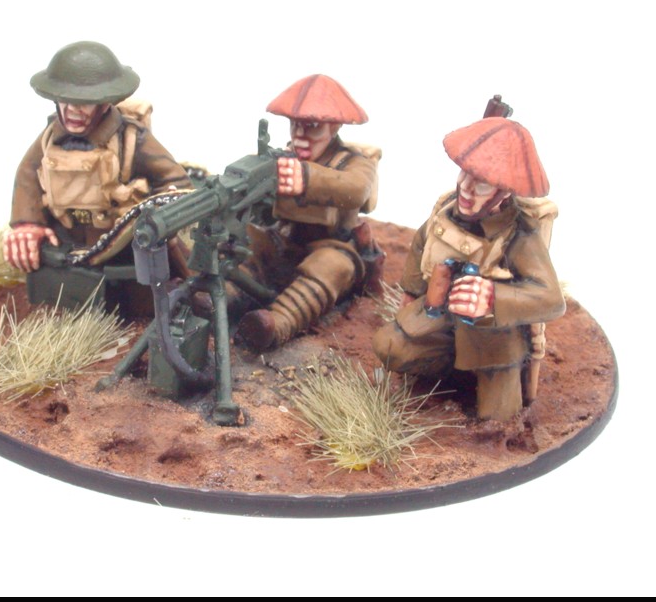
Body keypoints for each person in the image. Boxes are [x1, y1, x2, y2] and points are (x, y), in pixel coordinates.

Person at [372, 116, 565, 421]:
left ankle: (480, 388)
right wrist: (412, 296)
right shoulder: (447, 209)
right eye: (465, 173)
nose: (465, 186)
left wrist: (493, 297)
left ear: (504, 192)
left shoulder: (519, 235)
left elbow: (551, 299)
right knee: (391, 346)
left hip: (494, 340)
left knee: (498, 416)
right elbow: (423, 243)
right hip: (441, 318)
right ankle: (453, 377)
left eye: (481, 183)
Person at [3, 41, 190, 273]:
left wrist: (159, 218)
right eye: (66, 100)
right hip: (67, 243)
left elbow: (176, 182)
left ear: (104, 103)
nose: (73, 109)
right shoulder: (49, 139)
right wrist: (28, 223)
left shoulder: (131, 138)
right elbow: (28, 175)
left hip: (126, 245)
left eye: (85, 103)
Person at [237, 74, 380, 351]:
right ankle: (224, 298)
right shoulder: (282, 157)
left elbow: (357, 188)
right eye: (295, 124)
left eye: (312, 126)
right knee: (247, 244)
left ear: (334, 127)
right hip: (284, 241)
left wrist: (307, 178)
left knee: (333, 266)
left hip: (332, 246)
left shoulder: (355, 162)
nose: (300, 134)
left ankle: (276, 324)